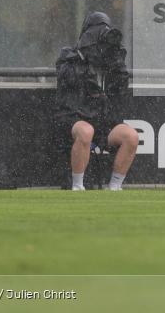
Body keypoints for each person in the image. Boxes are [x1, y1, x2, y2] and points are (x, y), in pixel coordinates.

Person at [54, 12, 139, 190]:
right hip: (73, 116)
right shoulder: (69, 54)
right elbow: (66, 78)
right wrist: (83, 59)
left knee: (131, 136)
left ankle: (115, 187)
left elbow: (120, 88)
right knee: (86, 131)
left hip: (102, 120)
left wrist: (117, 63)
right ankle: (77, 186)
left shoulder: (110, 60)